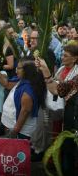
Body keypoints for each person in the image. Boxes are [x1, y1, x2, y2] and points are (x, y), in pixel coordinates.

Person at [35, 41, 78, 175]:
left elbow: (58, 89)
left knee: (69, 147)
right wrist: (46, 73)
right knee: (61, 142)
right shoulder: (61, 69)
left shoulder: (76, 75)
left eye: (65, 55)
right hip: (61, 111)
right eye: (62, 55)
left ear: (75, 58)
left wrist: (46, 72)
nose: (62, 58)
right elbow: (55, 89)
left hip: (71, 115)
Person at [0, 57, 47, 139]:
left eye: (19, 68)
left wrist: (15, 131)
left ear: (27, 70)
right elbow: (7, 84)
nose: (16, 70)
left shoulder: (28, 90)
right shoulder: (21, 80)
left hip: (21, 133)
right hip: (12, 127)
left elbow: (24, 112)